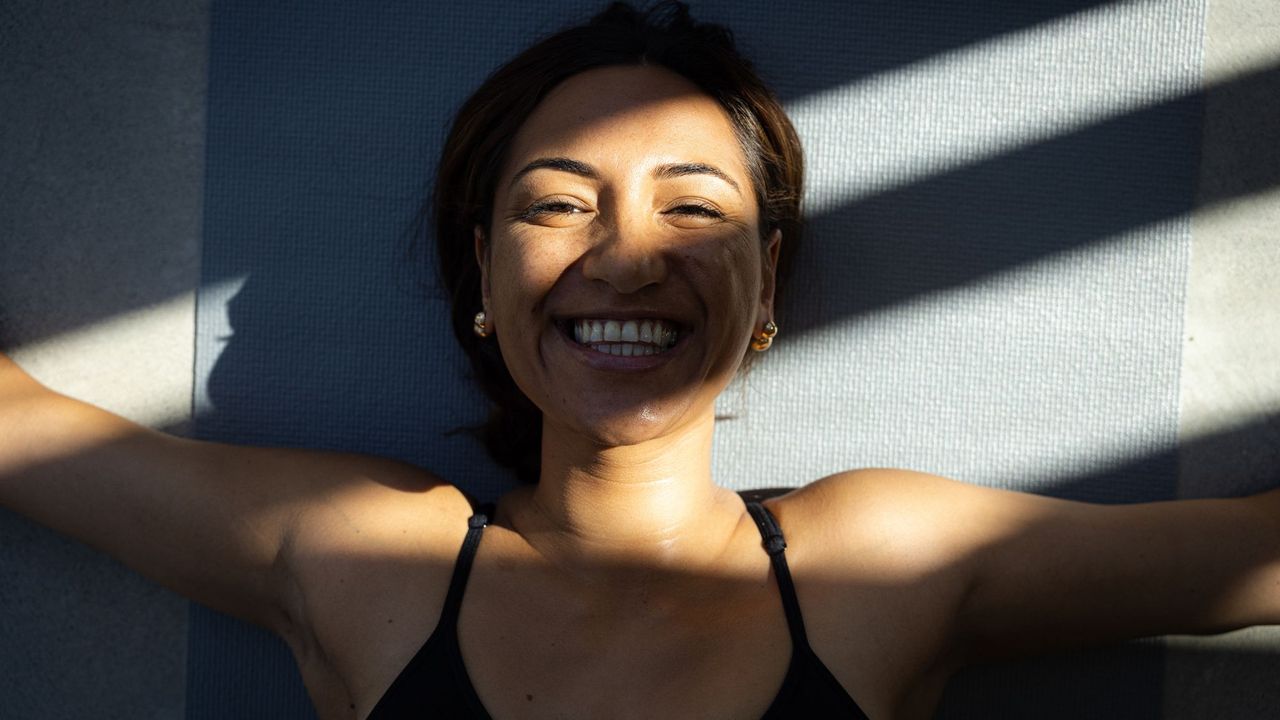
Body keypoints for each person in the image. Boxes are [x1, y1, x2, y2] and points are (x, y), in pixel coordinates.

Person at [1, 2, 1276, 718]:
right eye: (558, 204)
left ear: (763, 284)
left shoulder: (884, 562)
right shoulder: (352, 555)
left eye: (694, 208)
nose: (623, 258)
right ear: (485, 282)